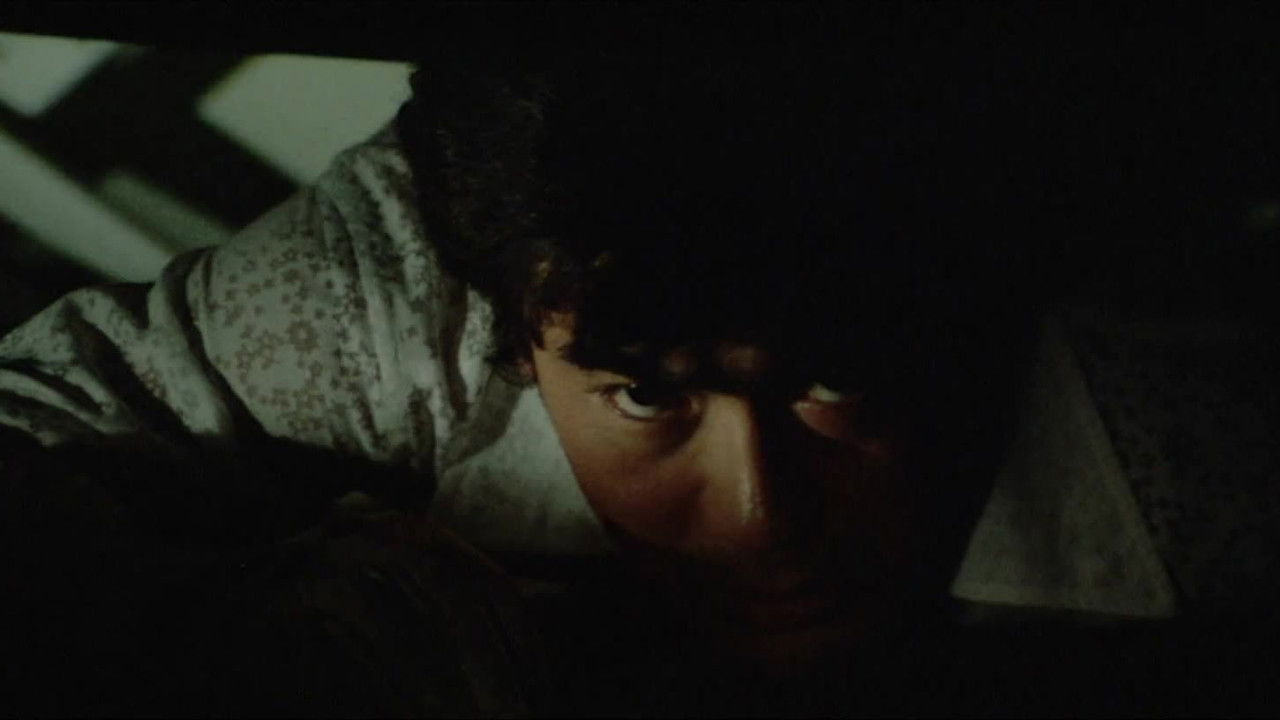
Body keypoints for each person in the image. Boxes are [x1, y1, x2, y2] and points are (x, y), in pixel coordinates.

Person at [0, 15, 1276, 715]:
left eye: (835, 382)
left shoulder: (1200, 442)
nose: (759, 514)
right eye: (647, 396)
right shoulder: (385, 297)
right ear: (511, 332)